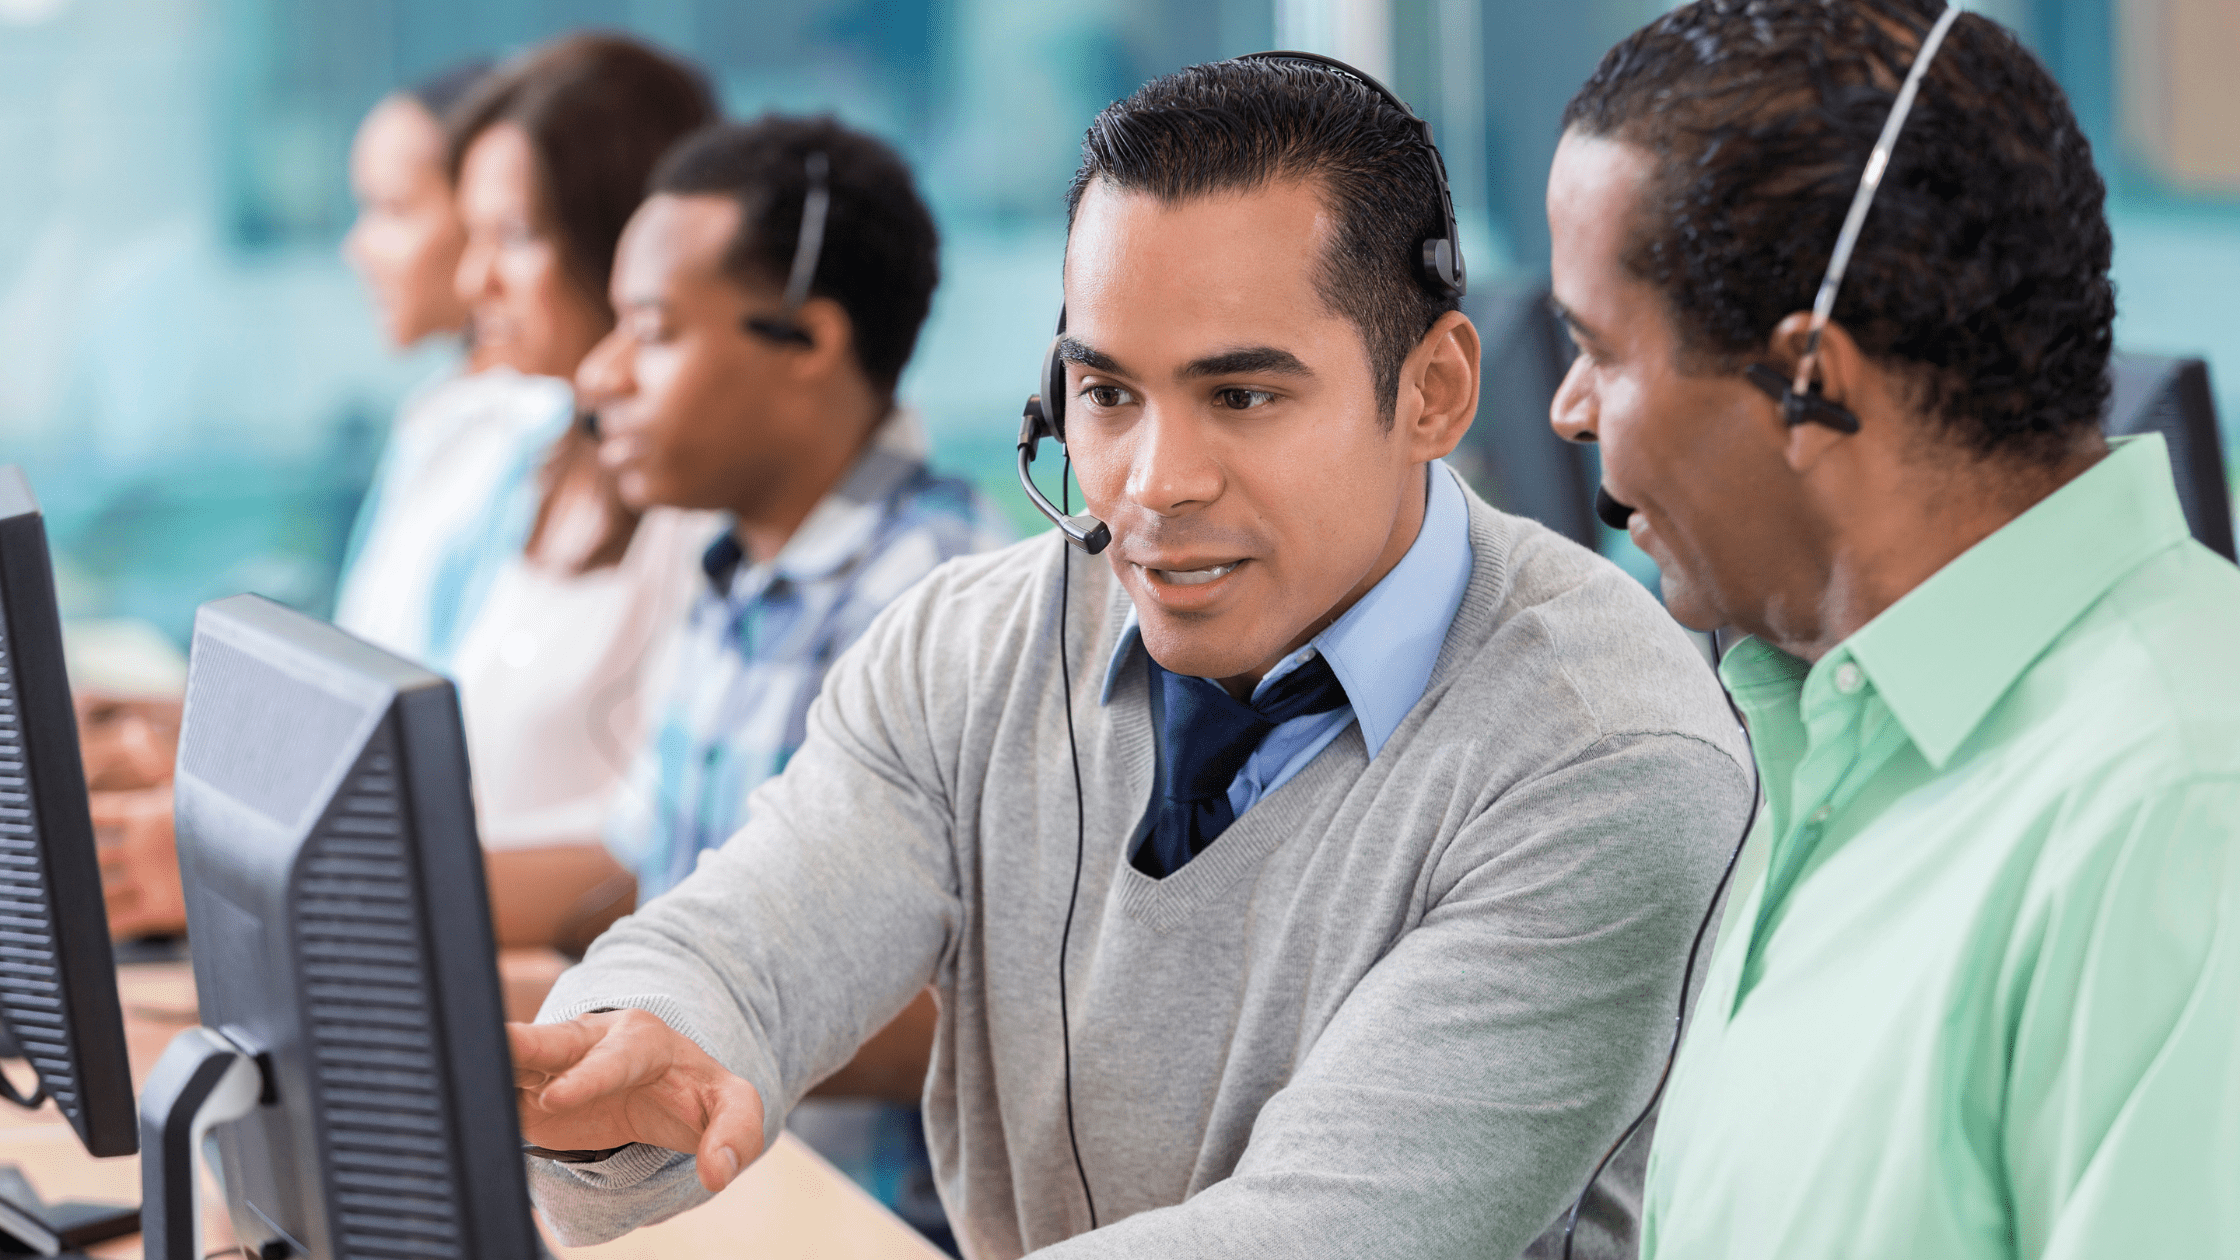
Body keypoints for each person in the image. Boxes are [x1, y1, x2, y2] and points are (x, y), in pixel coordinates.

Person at [513, 56, 1753, 1259]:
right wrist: (636, 1042)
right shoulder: (969, 645)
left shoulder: (1609, 759)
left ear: (1432, 390)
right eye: (1106, 395)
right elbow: (748, 935)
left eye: (1242, 397)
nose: (1156, 485)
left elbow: (1320, 1235)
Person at [1544, 2, 2240, 1256]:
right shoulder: (1834, 736)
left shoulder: (2180, 816)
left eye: (1599, 348)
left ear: (1809, 379)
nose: (1567, 408)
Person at [572, 116, 1013, 1248]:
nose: (597, 375)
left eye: (652, 332)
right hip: (700, 1204)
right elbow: (648, 861)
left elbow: (975, 1010)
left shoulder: (937, 604)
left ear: (808, 341)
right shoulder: (731, 565)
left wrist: (651, 1028)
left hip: (849, 1220)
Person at [91, 57, 498, 940]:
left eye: (392, 210)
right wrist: (169, 728)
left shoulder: (531, 444)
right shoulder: (445, 416)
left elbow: (451, 762)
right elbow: (376, 706)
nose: (357, 246)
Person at [421, 33, 723, 949]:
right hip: (454, 962)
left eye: (513, 237)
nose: (474, 282)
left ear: (623, 237)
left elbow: (666, 857)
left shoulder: (703, 503)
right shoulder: (523, 452)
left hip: (549, 993)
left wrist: (372, 903)